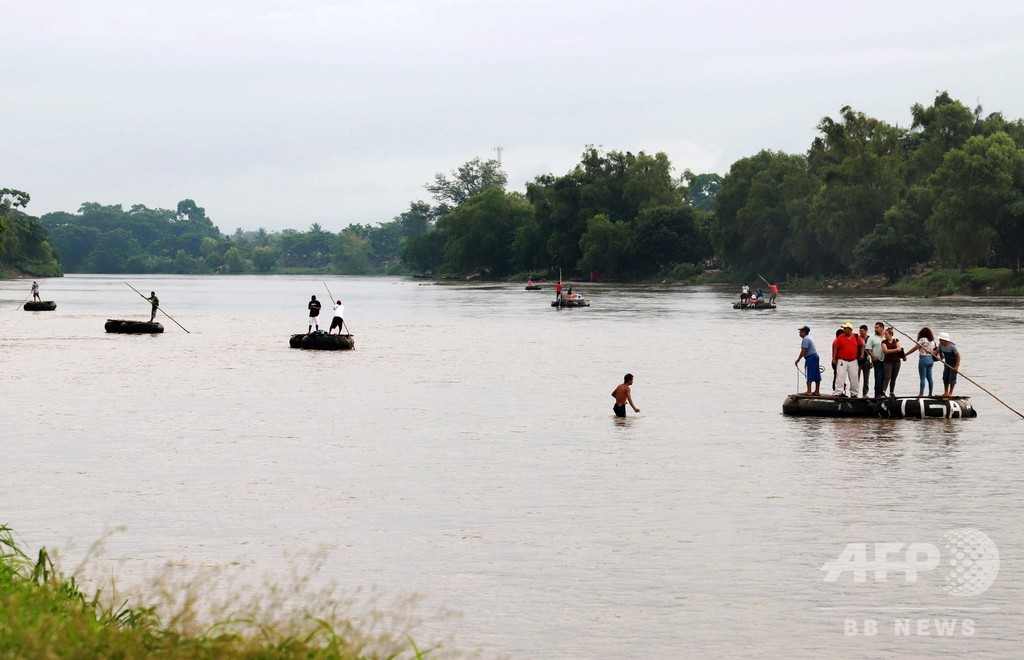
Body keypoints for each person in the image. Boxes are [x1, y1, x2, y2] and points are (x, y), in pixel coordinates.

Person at [831, 322, 864, 397]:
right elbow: (836, 347)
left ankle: (854, 393)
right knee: (840, 377)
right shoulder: (840, 337)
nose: (844, 330)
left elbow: (862, 345)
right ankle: (838, 392)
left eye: (845, 329)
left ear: (850, 329)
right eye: (844, 329)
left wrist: (862, 354)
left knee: (854, 378)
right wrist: (834, 358)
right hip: (842, 360)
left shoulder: (856, 336)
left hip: (853, 360)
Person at [903, 327, 938, 397]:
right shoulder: (933, 341)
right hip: (930, 360)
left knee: (922, 378)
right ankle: (930, 394)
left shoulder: (922, 340)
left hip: (923, 359)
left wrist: (905, 354)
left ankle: (921, 393)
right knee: (930, 378)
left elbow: (915, 348)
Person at [795, 326, 821, 396]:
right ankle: (817, 391)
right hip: (815, 356)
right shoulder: (809, 338)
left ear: (804, 332)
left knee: (809, 373)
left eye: (800, 331)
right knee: (816, 373)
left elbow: (804, 350)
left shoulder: (805, 339)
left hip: (810, 357)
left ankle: (809, 391)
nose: (799, 333)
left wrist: (798, 359)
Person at [880, 327, 904, 397]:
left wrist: (895, 350)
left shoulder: (896, 340)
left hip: (896, 362)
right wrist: (895, 350)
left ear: (890, 334)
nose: (885, 336)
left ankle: (891, 392)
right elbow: (885, 351)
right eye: (884, 334)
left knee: (894, 378)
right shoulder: (884, 342)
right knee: (887, 377)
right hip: (887, 362)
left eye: (886, 334)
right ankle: (883, 392)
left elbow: (900, 349)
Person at [864, 321, 886, 397]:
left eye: (877, 328)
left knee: (885, 377)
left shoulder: (886, 336)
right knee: (878, 377)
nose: (875, 329)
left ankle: (883, 393)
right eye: (875, 328)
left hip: (886, 360)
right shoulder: (872, 337)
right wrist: (873, 356)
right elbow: (868, 348)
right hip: (877, 360)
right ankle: (877, 394)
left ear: (882, 328)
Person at [937, 332, 960, 398]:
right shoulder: (940, 345)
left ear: (944, 340)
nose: (939, 341)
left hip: (953, 364)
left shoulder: (952, 347)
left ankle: (950, 393)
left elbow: (958, 356)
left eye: (940, 339)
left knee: (952, 378)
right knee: (945, 377)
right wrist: (930, 352)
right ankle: (946, 392)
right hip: (947, 364)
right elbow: (937, 352)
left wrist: (956, 367)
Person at [857, 325, 871, 397]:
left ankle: (865, 394)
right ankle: (855, 393)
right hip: (858, 360)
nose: (860, 332)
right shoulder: (857, 338)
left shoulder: (870, 339)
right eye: (860, 331)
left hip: (867, 360)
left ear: (866, 331)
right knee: (856, 378)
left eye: (862, 331)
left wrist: (872, 362)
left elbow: (873, 350)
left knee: (866, 378)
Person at [830, 328, 843, 393]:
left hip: (838, 361)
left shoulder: (838, 341)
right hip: (836, 361)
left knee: (839, 375)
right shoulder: (837, 341)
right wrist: (834, 359)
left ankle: (837, 389)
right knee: (837, 376)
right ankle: (835, 389)